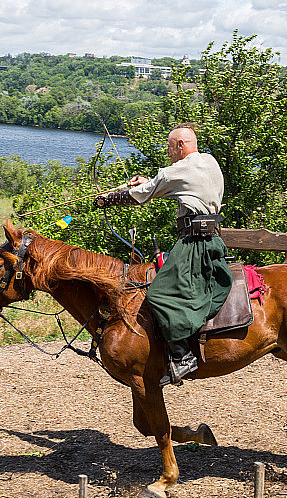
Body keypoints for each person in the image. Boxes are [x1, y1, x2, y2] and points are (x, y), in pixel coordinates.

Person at [94, 124, 233, 386]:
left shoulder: (176, 171)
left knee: (158, 294)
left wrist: (107, 200)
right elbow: (176, 183)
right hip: (214, 241)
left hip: (194, 245)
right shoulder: (209, 161)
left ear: (180, 145)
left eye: (169, 147)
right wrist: (150, 182)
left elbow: (139, 197)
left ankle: (183, 357)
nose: (168, 153)